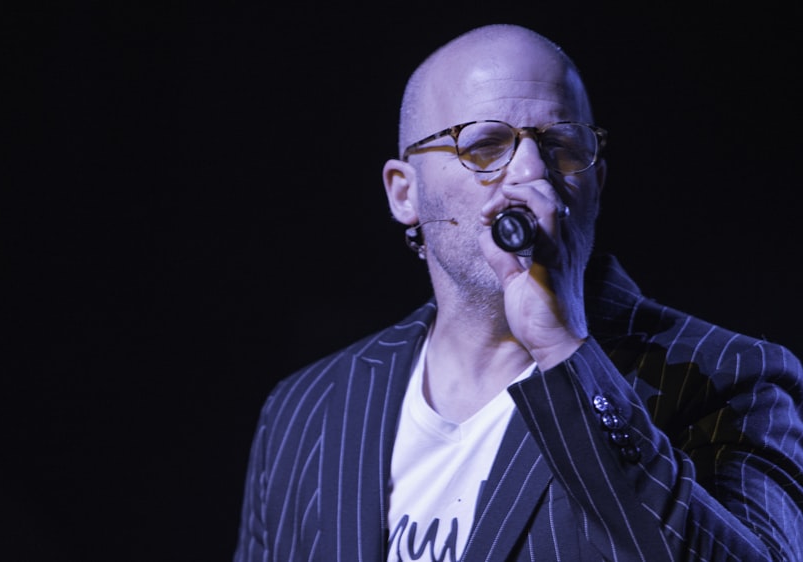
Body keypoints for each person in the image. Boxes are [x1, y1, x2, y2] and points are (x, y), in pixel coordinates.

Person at [233, 23, 803, 562]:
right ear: (404, 193)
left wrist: (563, 350)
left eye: (562, 145)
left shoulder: (730, 378)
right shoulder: (306, 407)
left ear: (596, 184)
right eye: (484, 146)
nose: (532, 173)